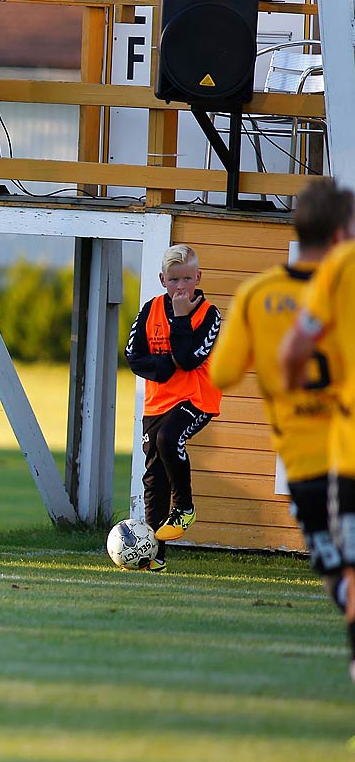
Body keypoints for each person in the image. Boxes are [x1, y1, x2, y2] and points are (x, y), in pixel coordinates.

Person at [217, 180, 355, 682]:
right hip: (343, 446)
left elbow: (223, 374)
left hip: (313, 460)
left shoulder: (260, 293)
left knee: (341, 575)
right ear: (342, 231)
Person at [125, 243, 223, 569]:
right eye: (173, 280)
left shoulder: (209, 314)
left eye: (186, 279)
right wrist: (161, 368)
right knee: (154, 477)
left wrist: (181, 320)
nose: (180, 287)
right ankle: (154, 556)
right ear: (162, 279)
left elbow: (190, 358)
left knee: (170, 438)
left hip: (196, 400)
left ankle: (184, 506)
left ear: (198, 277)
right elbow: (133, 355)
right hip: (156, 404)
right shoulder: (149, 309)